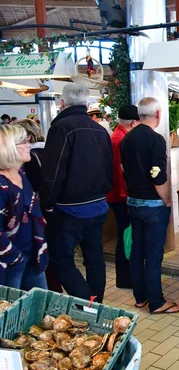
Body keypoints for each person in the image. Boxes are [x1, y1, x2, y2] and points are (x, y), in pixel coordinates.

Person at [41, 83, 112, 303]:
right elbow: (109, 168)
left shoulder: (61, 128)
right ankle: (96, 304)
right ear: (87, 104)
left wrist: (48, 204)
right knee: (94, 260)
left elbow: (53, 172)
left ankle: (87, 304)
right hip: (99, 205)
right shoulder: (100, 130)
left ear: (62, 103)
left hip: (69, 209)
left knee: (61, 260)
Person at [120, 98, 179, 314]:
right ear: (158, 113)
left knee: (137, 251)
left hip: (133, 202)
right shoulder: (155, 139)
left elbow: (124, 171)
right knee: (154, 254)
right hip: (153, 205)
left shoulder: (127, 139)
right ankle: (157, 302)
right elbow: (157, 175)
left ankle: (141, 298)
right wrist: (166, 200)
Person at [0, 125, 48, 290]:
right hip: (10, 261)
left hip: (33, 255)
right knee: (12, 311)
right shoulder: (2, 185)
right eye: (24, 142)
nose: (29, 144)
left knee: (39, 307)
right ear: (8, 148)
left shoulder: (20, 174)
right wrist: (15, 257)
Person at [107, 105, 139, 289]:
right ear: (134, 122)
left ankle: (125, 276)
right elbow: (121, 172)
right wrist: (127, 195)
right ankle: (125, 278)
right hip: (120, 197)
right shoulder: (120, 139)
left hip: (117, 195)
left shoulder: (117, 135)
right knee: (125, 237)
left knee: (125, 236)